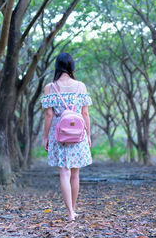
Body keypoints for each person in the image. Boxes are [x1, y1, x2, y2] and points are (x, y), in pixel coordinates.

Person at [41, 52, 92, 221]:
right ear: (71, 66)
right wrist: (88, 134)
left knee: (64, 173)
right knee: (75, 174)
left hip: (59, 134)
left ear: (57, 66)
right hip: (78, 134)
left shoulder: (50, 87)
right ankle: (73, 210)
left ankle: (70, 212)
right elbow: (85, 113)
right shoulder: (80, 86)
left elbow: (49, 115)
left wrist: (45, 137)